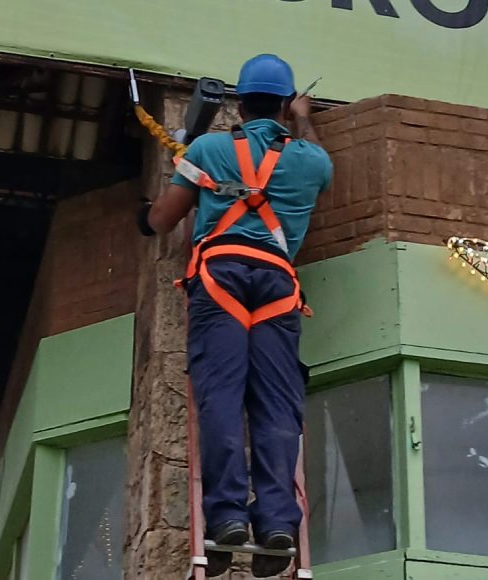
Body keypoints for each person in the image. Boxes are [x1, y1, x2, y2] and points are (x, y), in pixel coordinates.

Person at [137, 54, 332, 577]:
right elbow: (317, 153)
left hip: (220, 279)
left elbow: (162, 219)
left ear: (239, 103)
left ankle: (226, 519)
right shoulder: (310, 161)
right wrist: (304, 117)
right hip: (276, 284)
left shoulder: (209, 149)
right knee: (275, 406)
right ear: (286, 104)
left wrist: (145, 215)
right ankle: (275, 522)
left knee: (222, 397)